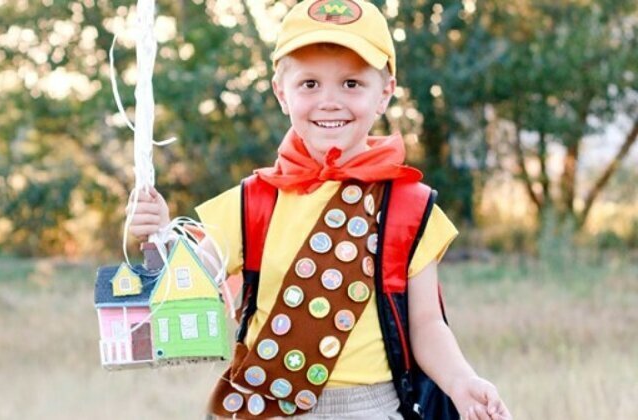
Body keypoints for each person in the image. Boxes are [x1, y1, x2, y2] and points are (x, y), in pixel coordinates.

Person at [127, 1, 511, 419]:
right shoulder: (251, 200)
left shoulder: (409, 206)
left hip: (370, 409)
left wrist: (462, 381)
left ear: (384, 92)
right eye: (309, 84)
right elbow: (189, 281)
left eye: (351, 84)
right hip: (266, 408)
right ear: (281, 92)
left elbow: (426, 326)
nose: (329, 101)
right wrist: (160, 235)